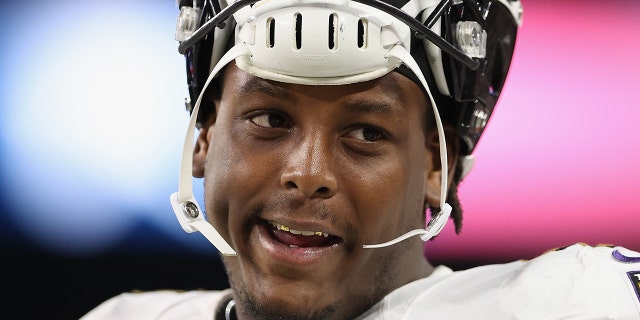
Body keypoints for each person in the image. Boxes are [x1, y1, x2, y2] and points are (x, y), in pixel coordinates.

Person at [82, 0, 640, 319]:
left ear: (436, 166)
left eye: (366, 132)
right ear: (203, 135)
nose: (308, 171)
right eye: (271, 119)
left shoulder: (569, 305)